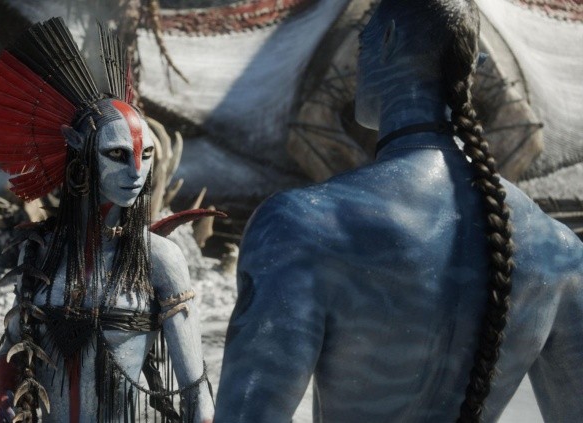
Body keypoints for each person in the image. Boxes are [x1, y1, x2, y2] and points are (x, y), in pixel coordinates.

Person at [214, 0, 583, 421]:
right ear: (473, 66)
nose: (356, 61)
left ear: (387, 39)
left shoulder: (303, 225)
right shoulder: (559, 249)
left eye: (363, 41)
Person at [0, 18, 214, 423]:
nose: (137, 173)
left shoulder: (160, 259)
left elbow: (195, 392)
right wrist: (4, 395)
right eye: (118, 155)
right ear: (81, 152)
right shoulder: (39, 252)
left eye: (146, 155)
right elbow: (12, 348)